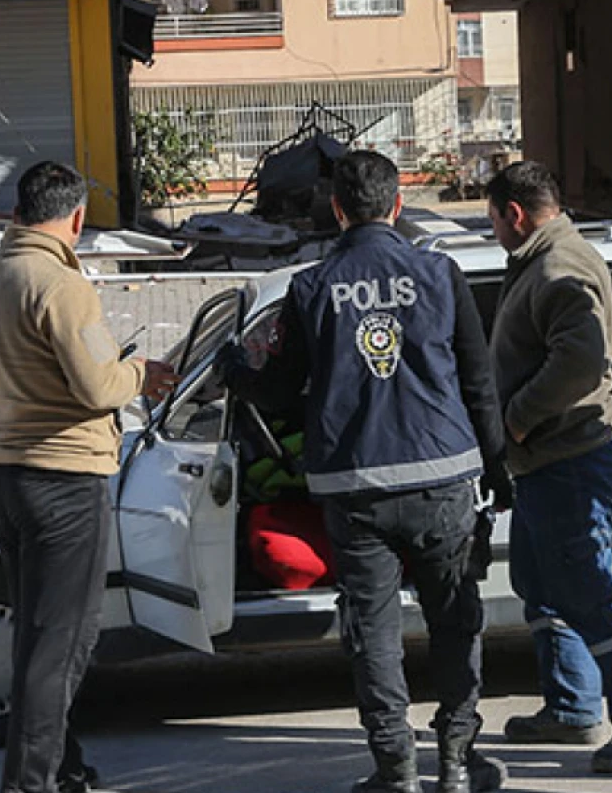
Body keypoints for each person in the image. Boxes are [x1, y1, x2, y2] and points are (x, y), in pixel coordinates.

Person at [222, 150, 510, 793]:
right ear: (398, 204)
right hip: (443, 478)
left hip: (355, 490)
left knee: (374, 631)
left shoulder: (310, 287)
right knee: (455, 621)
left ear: (337, 210)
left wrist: (235, 369)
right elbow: (478, 381)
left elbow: (277, 393)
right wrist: (497, 467)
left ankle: (396, 769)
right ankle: (460, 762)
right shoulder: (440, 273)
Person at [0, 162, 177, 793]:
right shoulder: (61, 285)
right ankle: (29, 783)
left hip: (0, 476)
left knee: (36, 636)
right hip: (65, 478)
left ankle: (64, 768)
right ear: (75, 219)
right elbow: (100, 386)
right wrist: (141, 374)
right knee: (61, 645)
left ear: (18, 212)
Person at [485, 161, 612, 775]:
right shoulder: (541, 259)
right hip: (546, 457)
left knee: (588, 588)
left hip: (570, 453)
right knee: (541, 583)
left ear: (515, 214)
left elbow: (581, 361)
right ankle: (572, 707)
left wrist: (516, 417)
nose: (494, 233)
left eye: (493, 222)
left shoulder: (561, 266)